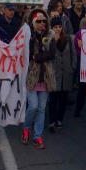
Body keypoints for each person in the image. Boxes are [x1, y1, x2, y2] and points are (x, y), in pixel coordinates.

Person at [22, 9, 55, 149]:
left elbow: (51, 53)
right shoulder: (28, 36)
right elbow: (28, 54)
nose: (42, 24)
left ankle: (37, 136)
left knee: (41, 108)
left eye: (44, 21)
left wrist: (38, 57)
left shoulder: (50, 35)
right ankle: (26, 128)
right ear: (33, 22)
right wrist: (37, 53)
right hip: (32, 76)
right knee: (33, 106)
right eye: (39, 21)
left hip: (45, 76)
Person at [48, 16, 76, 133]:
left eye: (59, 27)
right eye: (55, 27)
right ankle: (52, 120)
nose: (58, 29)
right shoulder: (48, 39)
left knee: (63, 99)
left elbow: (73, 54)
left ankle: (60, 119)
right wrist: (53, 40)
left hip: (67, 74)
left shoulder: (69, 39)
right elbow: (48, 53)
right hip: (54, 73)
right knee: (53, 99)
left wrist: (73, 68)